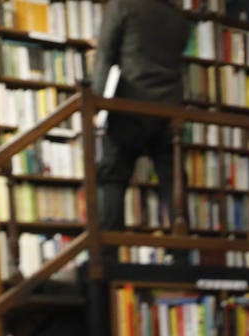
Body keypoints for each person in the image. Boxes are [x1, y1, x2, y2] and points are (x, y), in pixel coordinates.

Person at [92, 0, 190, 243]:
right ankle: (181, 258)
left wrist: (97, 102)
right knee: (173, 181)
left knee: (114, 177)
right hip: (169, 110)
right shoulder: (178, 17)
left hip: (129, 105)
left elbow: (105, 55)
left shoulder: (122, 6)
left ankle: (109, 256)